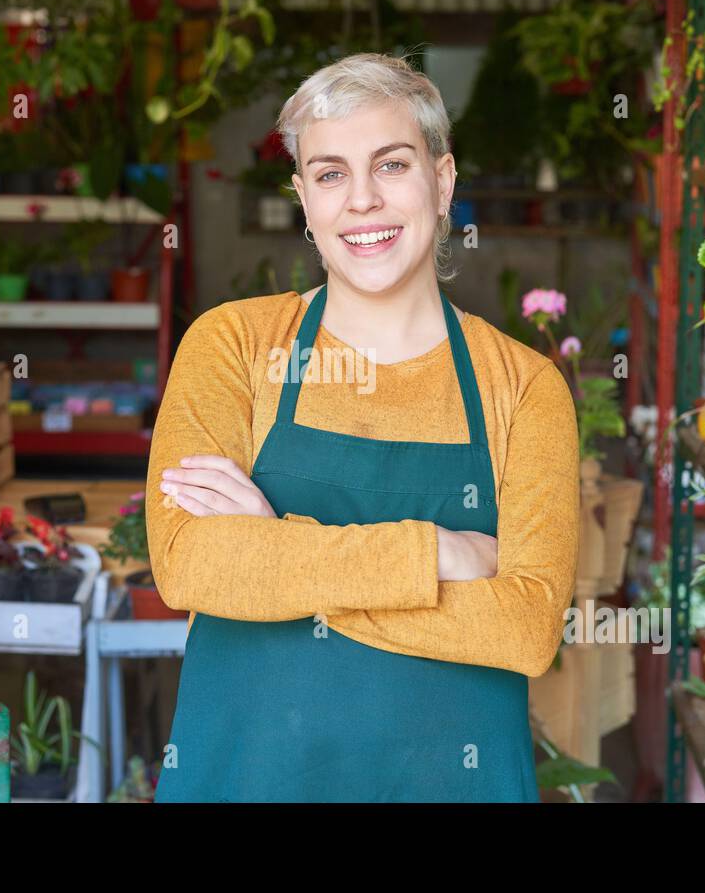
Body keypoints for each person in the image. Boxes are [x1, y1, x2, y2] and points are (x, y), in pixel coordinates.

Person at [146, 52, 579, 802]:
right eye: (331, 173)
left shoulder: (525, 388)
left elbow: (525, 628)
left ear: (442, 183)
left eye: (392, 164)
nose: (363, 201)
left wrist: (274, 548)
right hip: (248, 779)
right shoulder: (235, 347)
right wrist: (438, 552)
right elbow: (190, 564)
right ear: (304, 200)